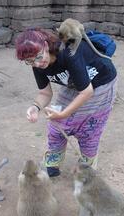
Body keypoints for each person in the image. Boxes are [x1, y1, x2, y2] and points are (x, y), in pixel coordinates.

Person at [15, 27, 117, 177]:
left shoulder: (69, 54)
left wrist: (63, 113)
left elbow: (86, 92)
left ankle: (87, 167)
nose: (37, 64)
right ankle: (53, 163)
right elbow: (45, 93)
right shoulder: (37, 63)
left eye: (38, 57)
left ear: (45, 45)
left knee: (88, 128)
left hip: (100, 81)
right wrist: (35, 107)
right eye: (29, 61)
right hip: (75, 82)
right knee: (56, 127)